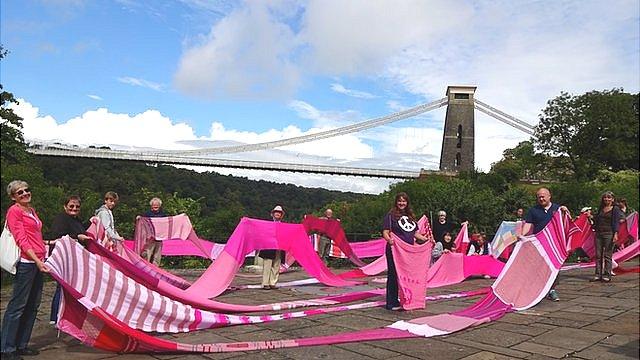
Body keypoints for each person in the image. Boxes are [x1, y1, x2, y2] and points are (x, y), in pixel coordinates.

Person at [2, 181, 51, 360]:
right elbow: (21, 239)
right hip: (27, 262)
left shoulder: (31, 210)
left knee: (33, 305)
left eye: (26, 190)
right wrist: (37, 261)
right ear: (13, 196)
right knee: (18, 306)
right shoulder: (14, 211)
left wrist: (47, 246)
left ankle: (21, 344)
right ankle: (7, 348)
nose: (24, 193)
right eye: (19, 192)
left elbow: (35, 236)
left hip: (38, 260)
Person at [47, 195, 91, 325]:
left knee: (68, 286)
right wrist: (77, 236)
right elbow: (58, 235)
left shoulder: (75, 220)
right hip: (64, 258)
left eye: (77, 206)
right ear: (65, 206)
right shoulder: (61, 219)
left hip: (73, 258)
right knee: (62, 287)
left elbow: (80, 229)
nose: (74, 208)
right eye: (71, 206)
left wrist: (90, 222)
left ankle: (63, 315)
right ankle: (56, 317)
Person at [520, 187, 569, 302]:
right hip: (539, 243)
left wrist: (565, 210)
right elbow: (528, 224)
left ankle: (552, 290)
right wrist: (522, 235)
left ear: (549, 196)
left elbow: (567, 221)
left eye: (543, 196)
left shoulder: (557, 209)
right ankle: (539, 289)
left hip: (554, 243)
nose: (541, 199)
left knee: (555, 267)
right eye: (539, 197)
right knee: (538, 267)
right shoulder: (533, 210)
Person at [383, 192, 431, 310]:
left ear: (407, 202)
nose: (401, 203)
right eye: (399, 201)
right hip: (395, 249)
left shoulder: (410, 217)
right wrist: (389, 240)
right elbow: (385, 231)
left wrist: (426, 239)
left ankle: (407, 298)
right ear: (396, 202)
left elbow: (415, 234)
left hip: (408, 251)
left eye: (404, 201)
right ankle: (391, 302)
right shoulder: (391, 215)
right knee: (394, 275)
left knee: (407, 276)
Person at [590, 191, 624, 282]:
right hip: (598, 233)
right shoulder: (601, 208)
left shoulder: (615, 209)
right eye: (605, 197)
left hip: (609, 233)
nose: (607, 199)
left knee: (607, 255)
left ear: (613, 199)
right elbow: (597, 219)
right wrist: (590, 216)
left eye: (609, 197)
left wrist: (615, 234)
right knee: (598, 255)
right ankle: (597, 274)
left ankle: (607, 274)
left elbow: (616, 222)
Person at [259, 205, 285, 289]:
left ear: (281, 215)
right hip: (268, 247)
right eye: (276, 212)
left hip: (279, 247)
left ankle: (273, 283)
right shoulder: (267, 224)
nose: (278, 214)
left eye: (279, 213)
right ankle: (265, 283)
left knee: (276, 266)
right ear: (273, 214)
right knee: (267, 265)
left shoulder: (284, 225)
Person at [137, 197, 167, 265]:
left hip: (159, 238)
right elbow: (142, 219)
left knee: (157, 256)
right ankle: (145, 268)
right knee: (147, 254)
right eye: (154, 206)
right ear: (151, 206)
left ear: (159, 206)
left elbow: (167, 222)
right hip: (150, 238)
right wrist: (139, 218)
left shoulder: (163, 214)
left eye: (157, 206)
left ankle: (155, 270)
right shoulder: (147, 214)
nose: (155, 207)